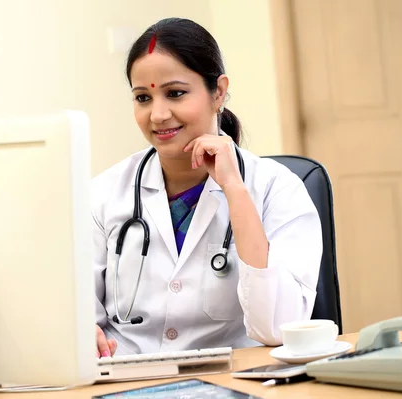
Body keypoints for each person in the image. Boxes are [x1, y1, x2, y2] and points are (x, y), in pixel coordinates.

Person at [91, 17, 322, 358]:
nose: (157, 114)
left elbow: (278, 328)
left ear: (219, 92)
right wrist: (82, 329)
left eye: (175, 93)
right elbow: (73, 309)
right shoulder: (104, 193)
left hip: (234, 381)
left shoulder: (277, 189)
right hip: (126, 378)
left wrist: (235, 191)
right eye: (143, 98)